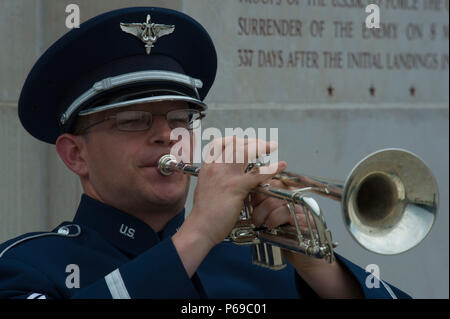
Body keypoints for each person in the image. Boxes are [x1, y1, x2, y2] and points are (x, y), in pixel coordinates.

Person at [0, 7, 410, 299]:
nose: (167, 135)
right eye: (134, 120)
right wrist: (197, 235)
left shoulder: (264, 261)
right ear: (76, 156)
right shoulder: (30, 266)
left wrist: (320, 271)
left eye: (181, 118)